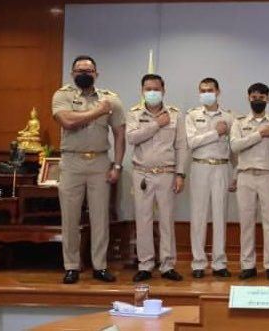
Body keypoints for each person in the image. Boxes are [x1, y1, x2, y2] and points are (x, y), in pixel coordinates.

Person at [52, 55, 125, 284]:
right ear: (72, 74)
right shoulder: (62, 95)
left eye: (89, 70)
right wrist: (98, 112)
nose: (84, 74)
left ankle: (100, 266)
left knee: (100, 217)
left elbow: (120, 134)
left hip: (100, 162)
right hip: (71, 162)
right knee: (70, 218)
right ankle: (71, 266)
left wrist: (117, 165)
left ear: (96, 74)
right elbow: (68, 121)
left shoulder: (110, 99)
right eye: (79, 70)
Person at [126, 74, 187, 282]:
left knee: (167, 221)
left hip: (166, 173)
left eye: (156, 88)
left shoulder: (175, 114)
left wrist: (180, 174)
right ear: (142, 90)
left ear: (163, 90)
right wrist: (156, 125)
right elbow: (131, 137)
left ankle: (167, 265)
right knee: (143, 220)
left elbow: (181, 146)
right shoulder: (134, 113)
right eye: (148, 88)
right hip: (141, 173)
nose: (152, 92)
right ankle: (145, 265)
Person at [230, 83, 269, 281]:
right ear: (248, 98)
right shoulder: (239, 122)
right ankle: (248, 265)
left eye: (261, 98)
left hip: (268, 176)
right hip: (245, 175)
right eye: (254, 97)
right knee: (246, 223)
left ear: (268, 99)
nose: (257, 101)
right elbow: (235, 146)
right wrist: (259, 134)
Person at [185, 77, 235, 279]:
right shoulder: (192, 115)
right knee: (198, 216)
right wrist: (215, 132)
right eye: (203, 90)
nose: (206, 93)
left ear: (218, 92)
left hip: (222, 167)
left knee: (220, 216)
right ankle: (198, 263)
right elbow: (191, 142)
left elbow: (234, 148)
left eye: (210, 90)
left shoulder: (229, 117)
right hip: (200, 166)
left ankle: (219, 262)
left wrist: (236, 173)